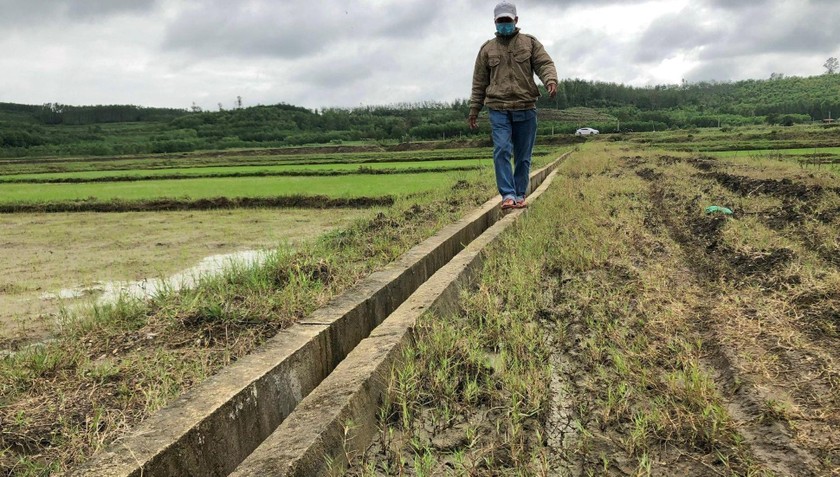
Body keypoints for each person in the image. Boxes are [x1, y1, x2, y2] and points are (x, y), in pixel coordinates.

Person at [468, 1, 558, 209]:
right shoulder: (487, 49)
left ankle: (519, 194)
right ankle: (507, 195)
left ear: (516, 20)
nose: (504, 24)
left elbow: (545, 64)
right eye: (501, 21)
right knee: (501, 150)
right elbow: (479, 82)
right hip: (498, 109)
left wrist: (550, 81)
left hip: (526, 107)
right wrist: (474, 109)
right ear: (495, 22)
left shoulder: (530, 43)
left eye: (508, 20)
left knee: (523, 156)